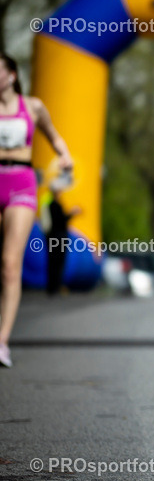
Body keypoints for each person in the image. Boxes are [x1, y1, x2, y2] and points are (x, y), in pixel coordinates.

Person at [0, 52, 74, 367]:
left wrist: (64, 155)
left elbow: (55, 137)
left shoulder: (33, 107)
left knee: (9, 264)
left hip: (20, 183)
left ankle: (2, 341)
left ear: (12, 75)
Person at [45, 169, 80, 296]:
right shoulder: (55, 205)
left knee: (53, 262)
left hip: (52, 237)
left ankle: (53, 287)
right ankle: (54, 287)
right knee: (57, 262)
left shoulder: (50, 205)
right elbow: (61, 221)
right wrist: (72, 213)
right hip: (58, 237)